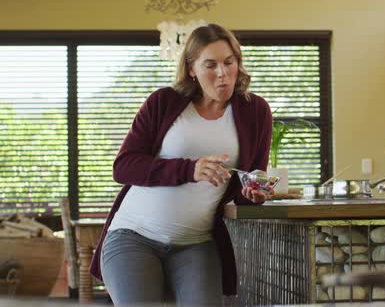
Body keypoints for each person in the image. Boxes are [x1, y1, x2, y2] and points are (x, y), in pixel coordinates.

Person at [89, 23, 274, 306]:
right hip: (133, 235)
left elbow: (249, 180)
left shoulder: (256, 112)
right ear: (192, 69)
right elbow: (124, 166)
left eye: (229, 62)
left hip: (196, 243)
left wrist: (253, 195)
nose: (222, 73)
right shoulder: (163, 102)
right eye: (210, 65)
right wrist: (189, 169)